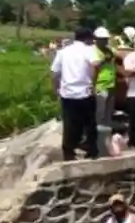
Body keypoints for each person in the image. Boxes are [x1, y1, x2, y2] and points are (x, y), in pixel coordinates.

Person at [50, 27, 100, 160]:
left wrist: (56, 89)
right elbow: (96, 65)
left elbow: (55, 74)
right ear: (88, 38)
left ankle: (69, 152)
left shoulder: (63, 52)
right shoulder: (89, 50)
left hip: (68, 93)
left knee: (70, 124)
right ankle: (91, 150)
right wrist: (93, 84)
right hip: (85, 92)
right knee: (89, 123)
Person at [93, 27, 118, 128]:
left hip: (111, 83)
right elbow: (93, 65)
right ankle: (98, 131)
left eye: (106, 39)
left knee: (109, 111)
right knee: (99, 111)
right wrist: (103, 60)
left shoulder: (110, 50)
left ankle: (107, 129)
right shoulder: (93, 50)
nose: (104, 41)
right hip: (100, 84)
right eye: (102, 39)